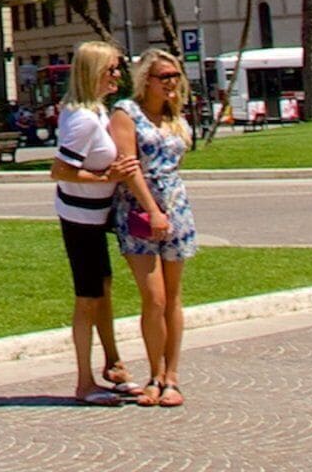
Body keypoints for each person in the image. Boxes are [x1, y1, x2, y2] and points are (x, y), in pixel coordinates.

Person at [112, 51, 202, 407]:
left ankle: (172, 376)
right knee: (154, 297)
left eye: (175, 76)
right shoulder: (126, 112)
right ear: (146, 78)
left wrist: (168, 209)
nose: (171, 83)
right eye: (164, 76)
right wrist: (152, 209)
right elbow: (128, 164)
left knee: (174, 298)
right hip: (138, 212)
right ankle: (154, 372)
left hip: (177, 209)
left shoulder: (174, 116)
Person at [50, 42, 134, 406]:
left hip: (94, 216)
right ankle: (84, 382)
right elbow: (60, 170)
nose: (117, 75)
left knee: (103, 288)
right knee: (87, 298)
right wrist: (106, 178)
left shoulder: (92, 110)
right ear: (94, 72)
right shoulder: (83, 119)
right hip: (80, 217)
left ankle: (112, 364)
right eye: (112, 69)